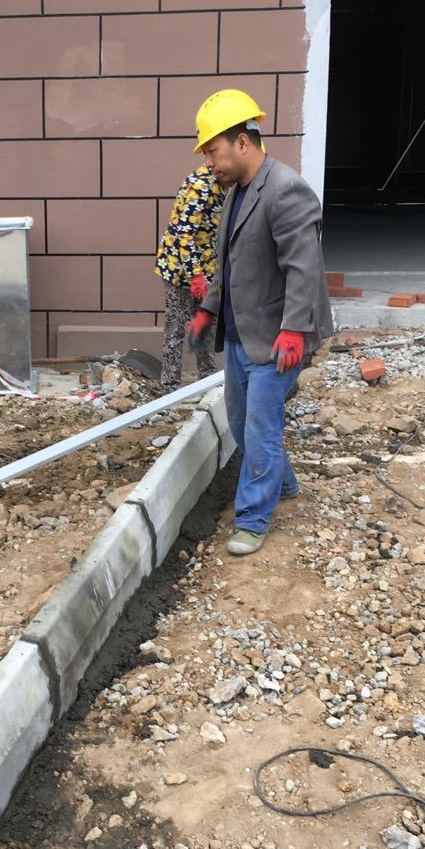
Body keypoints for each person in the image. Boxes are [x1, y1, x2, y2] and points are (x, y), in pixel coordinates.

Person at [186, 88, 333, 556]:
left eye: (213, 150)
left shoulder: (285, 189)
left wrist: (295, 329)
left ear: (243, 142)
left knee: (259, 429)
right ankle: (283, 484)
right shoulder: (236, 194)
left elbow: (303, 267)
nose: (209, 161)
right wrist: (208, 309)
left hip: (278, 337)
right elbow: (228, 265)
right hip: (240, 334)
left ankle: (252, 519)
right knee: (239, 419)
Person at [155, 163, 224, 393]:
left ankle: (207, 382)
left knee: (207, 326)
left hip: (205, 269)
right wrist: (195, 275)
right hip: (180, 271)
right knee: (175, 329)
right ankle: (169, 388)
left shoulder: (222, 182)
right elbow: (184, 234)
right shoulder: (201, 186)